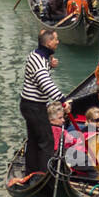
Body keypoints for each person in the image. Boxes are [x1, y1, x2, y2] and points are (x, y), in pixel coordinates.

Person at [20, 28, 70, 175]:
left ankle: (32, 171)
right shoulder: (40, 62)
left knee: (34, 140)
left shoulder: (36, 56)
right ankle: (44, 175)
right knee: (46, 142)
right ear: (49, 42)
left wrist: (50, 66)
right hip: (34, 106)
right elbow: (46, 84)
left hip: (29, 105)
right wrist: (63, 101)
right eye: (56, 39)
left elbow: (39, 74)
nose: (58, 42)